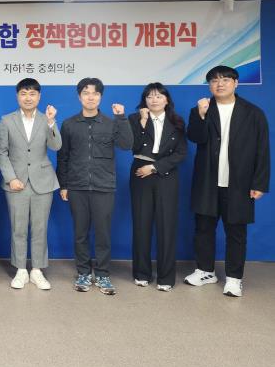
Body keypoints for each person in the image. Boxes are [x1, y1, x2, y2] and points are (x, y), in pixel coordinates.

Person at [184, 65, 269, 297]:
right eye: (214, 80)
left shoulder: (253, 113)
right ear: (209, 85)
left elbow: (262, 149)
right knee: (203, 229)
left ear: (235, 83)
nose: (219, 84)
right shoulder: (201, 109)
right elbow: (195, 137)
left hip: (239, 183)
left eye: (225, 79)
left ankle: (234, 278)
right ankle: (205, 271)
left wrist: (259, 183)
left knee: (236, 232)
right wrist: (201, 115)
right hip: (207, 182)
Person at [57, 77, 133, 295]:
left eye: (95, 93)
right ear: (79, 96)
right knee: (80, 233)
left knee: (103, 233)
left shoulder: (111, 122)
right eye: (86, 93)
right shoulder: (69, 124)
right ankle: (83, 272)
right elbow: (63, 156)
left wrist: (121, 118)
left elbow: (127, 144)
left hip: (103, 186)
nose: (90, 97)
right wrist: (64, 185)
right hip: (77, 186)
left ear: (100, 97)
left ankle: (102, 274)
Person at [0, 78, 60, 291]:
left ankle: (37, 270)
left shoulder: (46, 119)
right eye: (23, 93)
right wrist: (11, 178)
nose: (28, 98)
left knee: (40, 228)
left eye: (32, 93)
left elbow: (56, 145)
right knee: (19, 228)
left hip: (43, 181)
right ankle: (21, 270)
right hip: (16, 182)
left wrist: (51, 122)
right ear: (17, 96)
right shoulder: (7, 120)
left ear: (39, 97)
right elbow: (2, 152)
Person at [128, 83, 187, 292]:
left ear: (166, 100)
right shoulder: (135, 119)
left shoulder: (177, 121)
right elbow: (133, 146)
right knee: (141, 224)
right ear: (144, 100)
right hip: (140, 174)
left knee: (166, 226)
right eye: (150, 96)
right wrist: (143, 122)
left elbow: (181, 153)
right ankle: (141, 273)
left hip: (165, 175)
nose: (154, 100)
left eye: (159, 96)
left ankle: (166, 277)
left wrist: (154, 167)